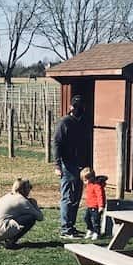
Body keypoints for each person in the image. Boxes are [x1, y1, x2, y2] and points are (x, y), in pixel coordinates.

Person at [53, 94, 88, 240]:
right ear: (71, 107)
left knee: (76, 197)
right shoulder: (65, 122)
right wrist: (57, 165)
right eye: (77, 107)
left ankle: (71, 226)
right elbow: (56, 143)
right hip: (67, 164)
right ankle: (66, 228)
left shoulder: (81, 122)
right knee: (68, 196)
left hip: (80, 165)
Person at [0, 178, 44, 249]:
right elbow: (40, 217)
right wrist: (34, 204)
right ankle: (10, 242)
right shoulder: (22, 200)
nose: (30, 189)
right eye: (29, 187)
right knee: (30, 218)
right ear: (22, 189)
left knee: (9, 218)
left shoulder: (8, 196)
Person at [80, 167, 107, 240]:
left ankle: (97, 232)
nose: (85, 182)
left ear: (91, 178)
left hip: (96, 206)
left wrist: (101, 206)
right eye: (84, 180)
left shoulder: (97, 186)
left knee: (96, 220)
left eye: (86, 180)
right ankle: (90, 229)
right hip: (89, 206)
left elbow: (100, 196)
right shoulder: (89, 185)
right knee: (86, 218)